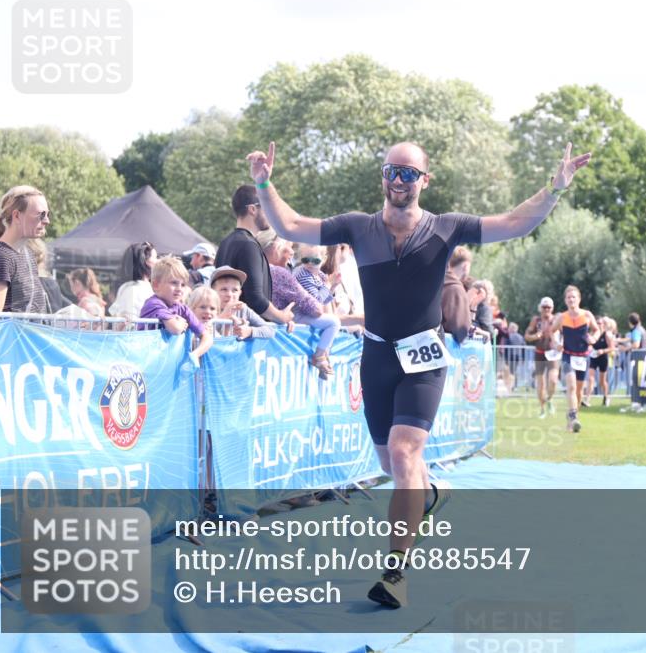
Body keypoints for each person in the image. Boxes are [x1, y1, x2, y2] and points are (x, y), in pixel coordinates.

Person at [247, 139, 590, 608]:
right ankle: (428, 495)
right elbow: (290, 224)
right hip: (377, 357)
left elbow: (514, 223)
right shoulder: (358, 226)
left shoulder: (446, 228)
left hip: (424, 359)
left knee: (405, 452)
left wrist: (555, 188)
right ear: (382, 176)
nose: (399, 180)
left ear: (425, 181)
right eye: (392, 170)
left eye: (409, 173)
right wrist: (264, 183)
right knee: (390, 466)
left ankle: (396, 572)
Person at [257, 229, 339, 378]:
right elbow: (316, 307)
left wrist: (331, 288)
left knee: (331, 322)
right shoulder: (293, 273)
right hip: (296, 315)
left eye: (315, 261)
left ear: (324, 258)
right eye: (306, 260)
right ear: (275, 249)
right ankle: (319, 356)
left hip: (289, 318)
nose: (310, 264)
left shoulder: (319, 275)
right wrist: (328, 286)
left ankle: (322, 355)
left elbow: (323, 301)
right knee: (333, 322)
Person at [215, 185, 295, 324]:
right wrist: (281, 317)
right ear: (252, 209)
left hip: (234, 327)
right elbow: (256, 299)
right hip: (246, 330)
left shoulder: (226, 242)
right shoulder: (248, 245)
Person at [0, 185, 51, 314]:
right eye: (41, 215)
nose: (47, 221)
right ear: (17, 216)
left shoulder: (28, 253)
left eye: (48, 214)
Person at [138, 256, 213, 367]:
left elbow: (207, 337)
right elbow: (176, 329)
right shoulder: (153, 304)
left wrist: (195, 354)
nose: (179, 289)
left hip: (166, 366)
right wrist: (180, 321)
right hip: (146, 364)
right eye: (174, 283)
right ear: (156, 285)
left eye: (183, 285)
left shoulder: (182, 308)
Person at [550, 285, 600, 432]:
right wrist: (556, 343)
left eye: (573, 297)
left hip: (583, 357)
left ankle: (572, 418)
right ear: (565, 300)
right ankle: (573, 418)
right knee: (571, 386)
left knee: (579, 391)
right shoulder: (561, 317)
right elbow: (552, 331)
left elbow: (597, 330)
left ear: (579, 299)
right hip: (568, 355)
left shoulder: (587, 315)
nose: (571, 299)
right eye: (568, 297)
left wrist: (594, 339)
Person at [210, 266, 276, 340]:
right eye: (224, 289)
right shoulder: (206, 308)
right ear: (212, 292)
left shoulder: (243, 309)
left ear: (240, 293)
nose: (229, 294)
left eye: (235, 290)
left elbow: (270, 331)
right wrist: (222, 317)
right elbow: (203, 331)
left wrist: (249, 331)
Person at [525, 296, 562, 419]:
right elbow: (527, 336)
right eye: (544, 307)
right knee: (540, 383)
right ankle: (542, 409)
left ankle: (549, 399)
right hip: (539, 353)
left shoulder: (556, 320)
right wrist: (535, 336)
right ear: (540, 308)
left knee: (553, 380)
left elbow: (565, 333)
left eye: (549, 307)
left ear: (552, 308)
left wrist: (561, 344)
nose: (546, 309)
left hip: (553, 354)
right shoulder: (536, 320)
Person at [110, 241, 158, 321]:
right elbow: (130, 319)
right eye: (155, 257)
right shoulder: (134, 289)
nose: (158, 261)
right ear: (146, 261)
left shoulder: (133, 287)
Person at [440, 246, 473, 343]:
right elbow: (460, 330)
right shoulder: (456, 289)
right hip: (445, 346)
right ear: (465, 266)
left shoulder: (436, 281)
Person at [586, 315, 616, 406]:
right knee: (590, 378)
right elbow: (589, 344)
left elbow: (612, 348)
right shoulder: (592, 334)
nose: (598, 325)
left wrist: (602, 351)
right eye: (597, 323)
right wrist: (589, 347)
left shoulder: (606, 335)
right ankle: (587, 399)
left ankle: (606, 397)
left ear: (603, 324)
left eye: (600, 323)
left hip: (603, 358)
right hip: (594, 357)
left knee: (602, 381)